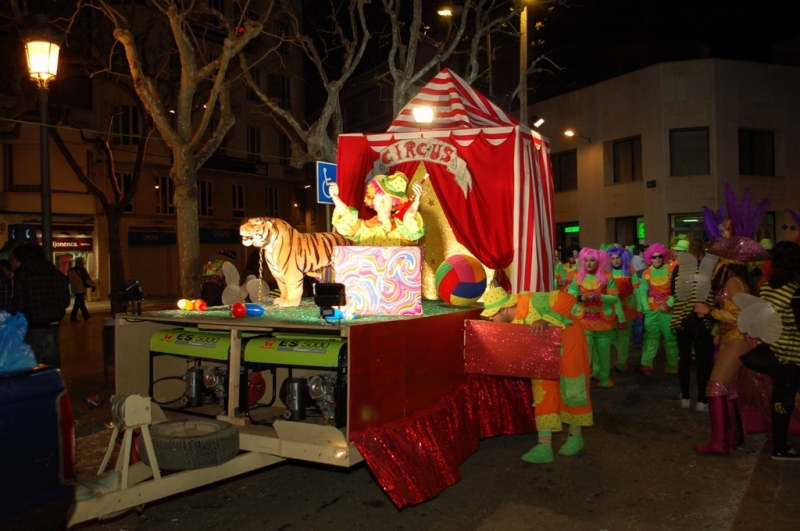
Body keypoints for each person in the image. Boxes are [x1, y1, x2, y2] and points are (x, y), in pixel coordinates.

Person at [481, 286, 593, 464]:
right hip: (544, 353)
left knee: (573, 387)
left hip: (570, 342)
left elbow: (568, 298)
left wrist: (544, 320)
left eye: (492, 314)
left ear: (505, 309)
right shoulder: (509, 322)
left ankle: (575, 436)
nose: (490, 318)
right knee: (543, 392)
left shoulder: (534, 300)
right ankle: (544, 445)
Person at [693, 231, 769, 455]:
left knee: (715, 387)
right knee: (729, 388)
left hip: (737, 339)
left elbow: (741, 315)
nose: (716, 264)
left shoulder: (733, 281)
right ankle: (732, 436)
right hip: (732, 337)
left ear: (727, 262)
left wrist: (710, 311)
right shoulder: (740, 280)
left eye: (719, 260)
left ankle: (720, 443)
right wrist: (720, 331)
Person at [747, 240, 800, 460]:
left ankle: (779, 442)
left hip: (773, 349)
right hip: (792, 354)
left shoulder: (767, 286)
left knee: (780, 396)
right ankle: (780, 446)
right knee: (785, 398)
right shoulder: (795, 290)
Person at [669, 239, 716, 412]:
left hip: (682, 319)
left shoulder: (679, 268)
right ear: (703, 253)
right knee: (704, 361)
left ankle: (685, 397)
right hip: (703, 320)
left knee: (684, 358)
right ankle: (702, 400)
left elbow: (672, 291)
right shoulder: (710, 269)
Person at [568, 248, 625, 388]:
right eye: (586, 260)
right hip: (583, 321)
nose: (588, 263)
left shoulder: (607, 277)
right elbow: (570, 296)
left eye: (592, 260)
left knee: (604, 352)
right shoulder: (577, 277)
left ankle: (604, 379)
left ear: (598, 262)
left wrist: (599, 296)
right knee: (585, 353)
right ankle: (584, 380)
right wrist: (580, 297)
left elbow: (614, 298)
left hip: (603, 322)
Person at [11, 243, 70, 367]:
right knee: (51, 359)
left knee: (33, 362)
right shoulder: (55, 272)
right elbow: (66, 300)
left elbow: (19, 302)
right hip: (54, 322)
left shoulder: (23, 273)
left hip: (33, 323)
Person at [329, 171, 425, 246]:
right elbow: (346, 216)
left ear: (394, 203)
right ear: (372, 200)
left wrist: (417, 200)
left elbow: (409, 216)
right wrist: (335, 198)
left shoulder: (402, 229)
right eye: (378, 197)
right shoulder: (362, 228)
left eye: (387, 198)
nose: (382, 202)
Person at [637, 243, 679, 375]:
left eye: (660, 256)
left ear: (663, 256)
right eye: (654, 257)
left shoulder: (671, 270)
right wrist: (646, 309)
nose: (657, 259)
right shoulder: (647, 272)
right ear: (650, 258)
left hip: (668, 311)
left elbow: (677, 290)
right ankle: (646, 365)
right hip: (652, 311)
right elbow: (642, 291)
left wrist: (669, 304)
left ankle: (673, 366)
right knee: (650, 338)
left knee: (670, 339)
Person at [607, 246, 641, 372]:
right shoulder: (607, 272)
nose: (616, 261)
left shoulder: (630, 270)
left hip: (627, 307)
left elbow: (637, 289)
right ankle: (621, 358)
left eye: (618, 258)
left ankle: (622, 361)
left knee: (624, 335)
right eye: (613, 258)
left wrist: (639, 308)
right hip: (612, 307)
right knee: (614, 335)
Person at [68, 257, 95, 322]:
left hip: (74, 288)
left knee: (79, 302)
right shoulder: (82, 269)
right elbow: (86, 279)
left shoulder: (70, 270)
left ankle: (84, 315)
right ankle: (75, 317)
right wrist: (92, 286)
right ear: (81, 262)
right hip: (80, 288)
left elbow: (67, 280)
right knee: (79, 303)